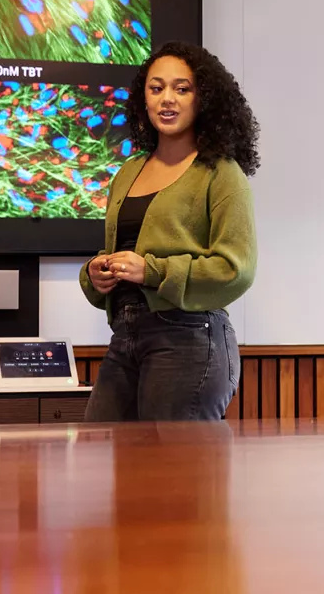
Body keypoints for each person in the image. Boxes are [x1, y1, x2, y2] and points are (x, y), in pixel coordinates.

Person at [81, 41, 259, 421]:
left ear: (204, 99)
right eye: (156, 87)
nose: (168, 99)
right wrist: (96, 272)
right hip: (125, 334)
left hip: (190, 336)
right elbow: (122, 249)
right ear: (142, 98)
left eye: (183, 88)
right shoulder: (127, 171)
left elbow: (236, 269)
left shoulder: (221, 173)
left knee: (175, 478)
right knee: (101, 453)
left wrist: (151, 271)